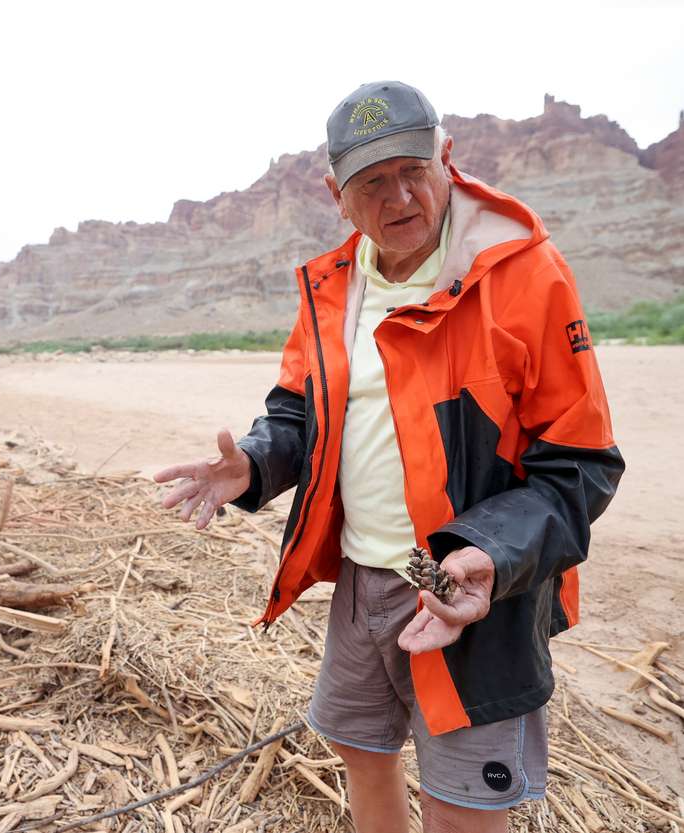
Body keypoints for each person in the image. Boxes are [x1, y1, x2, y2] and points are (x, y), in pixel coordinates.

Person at [154, 81, 623, 833]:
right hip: (369, 574)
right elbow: (300, 413)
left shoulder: (524, 275)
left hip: (466, 585)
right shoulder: (331, 286)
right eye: (373, 181)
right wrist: (252, 464)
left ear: (447, 157)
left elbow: (583, 462)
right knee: (361, 750)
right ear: (336, 193)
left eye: (414, 169)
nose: (400, 196)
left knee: (462, 806)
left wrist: (485, 557)